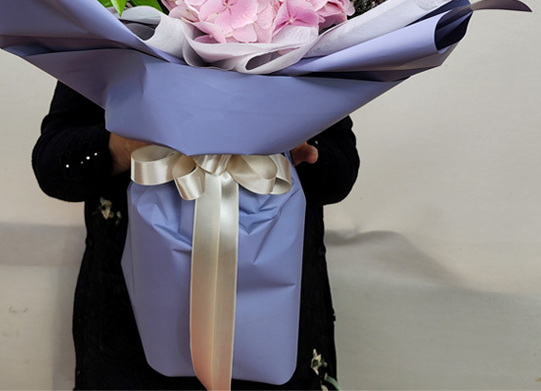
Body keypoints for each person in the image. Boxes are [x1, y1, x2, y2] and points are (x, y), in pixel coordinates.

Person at [32, 81, 360, 391]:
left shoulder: (310, 45)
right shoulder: (109, 44)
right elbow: (51, 166)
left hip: (283, 314)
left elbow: (340, 172)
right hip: (127, 327)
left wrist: (298, 147)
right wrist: (126, 146)